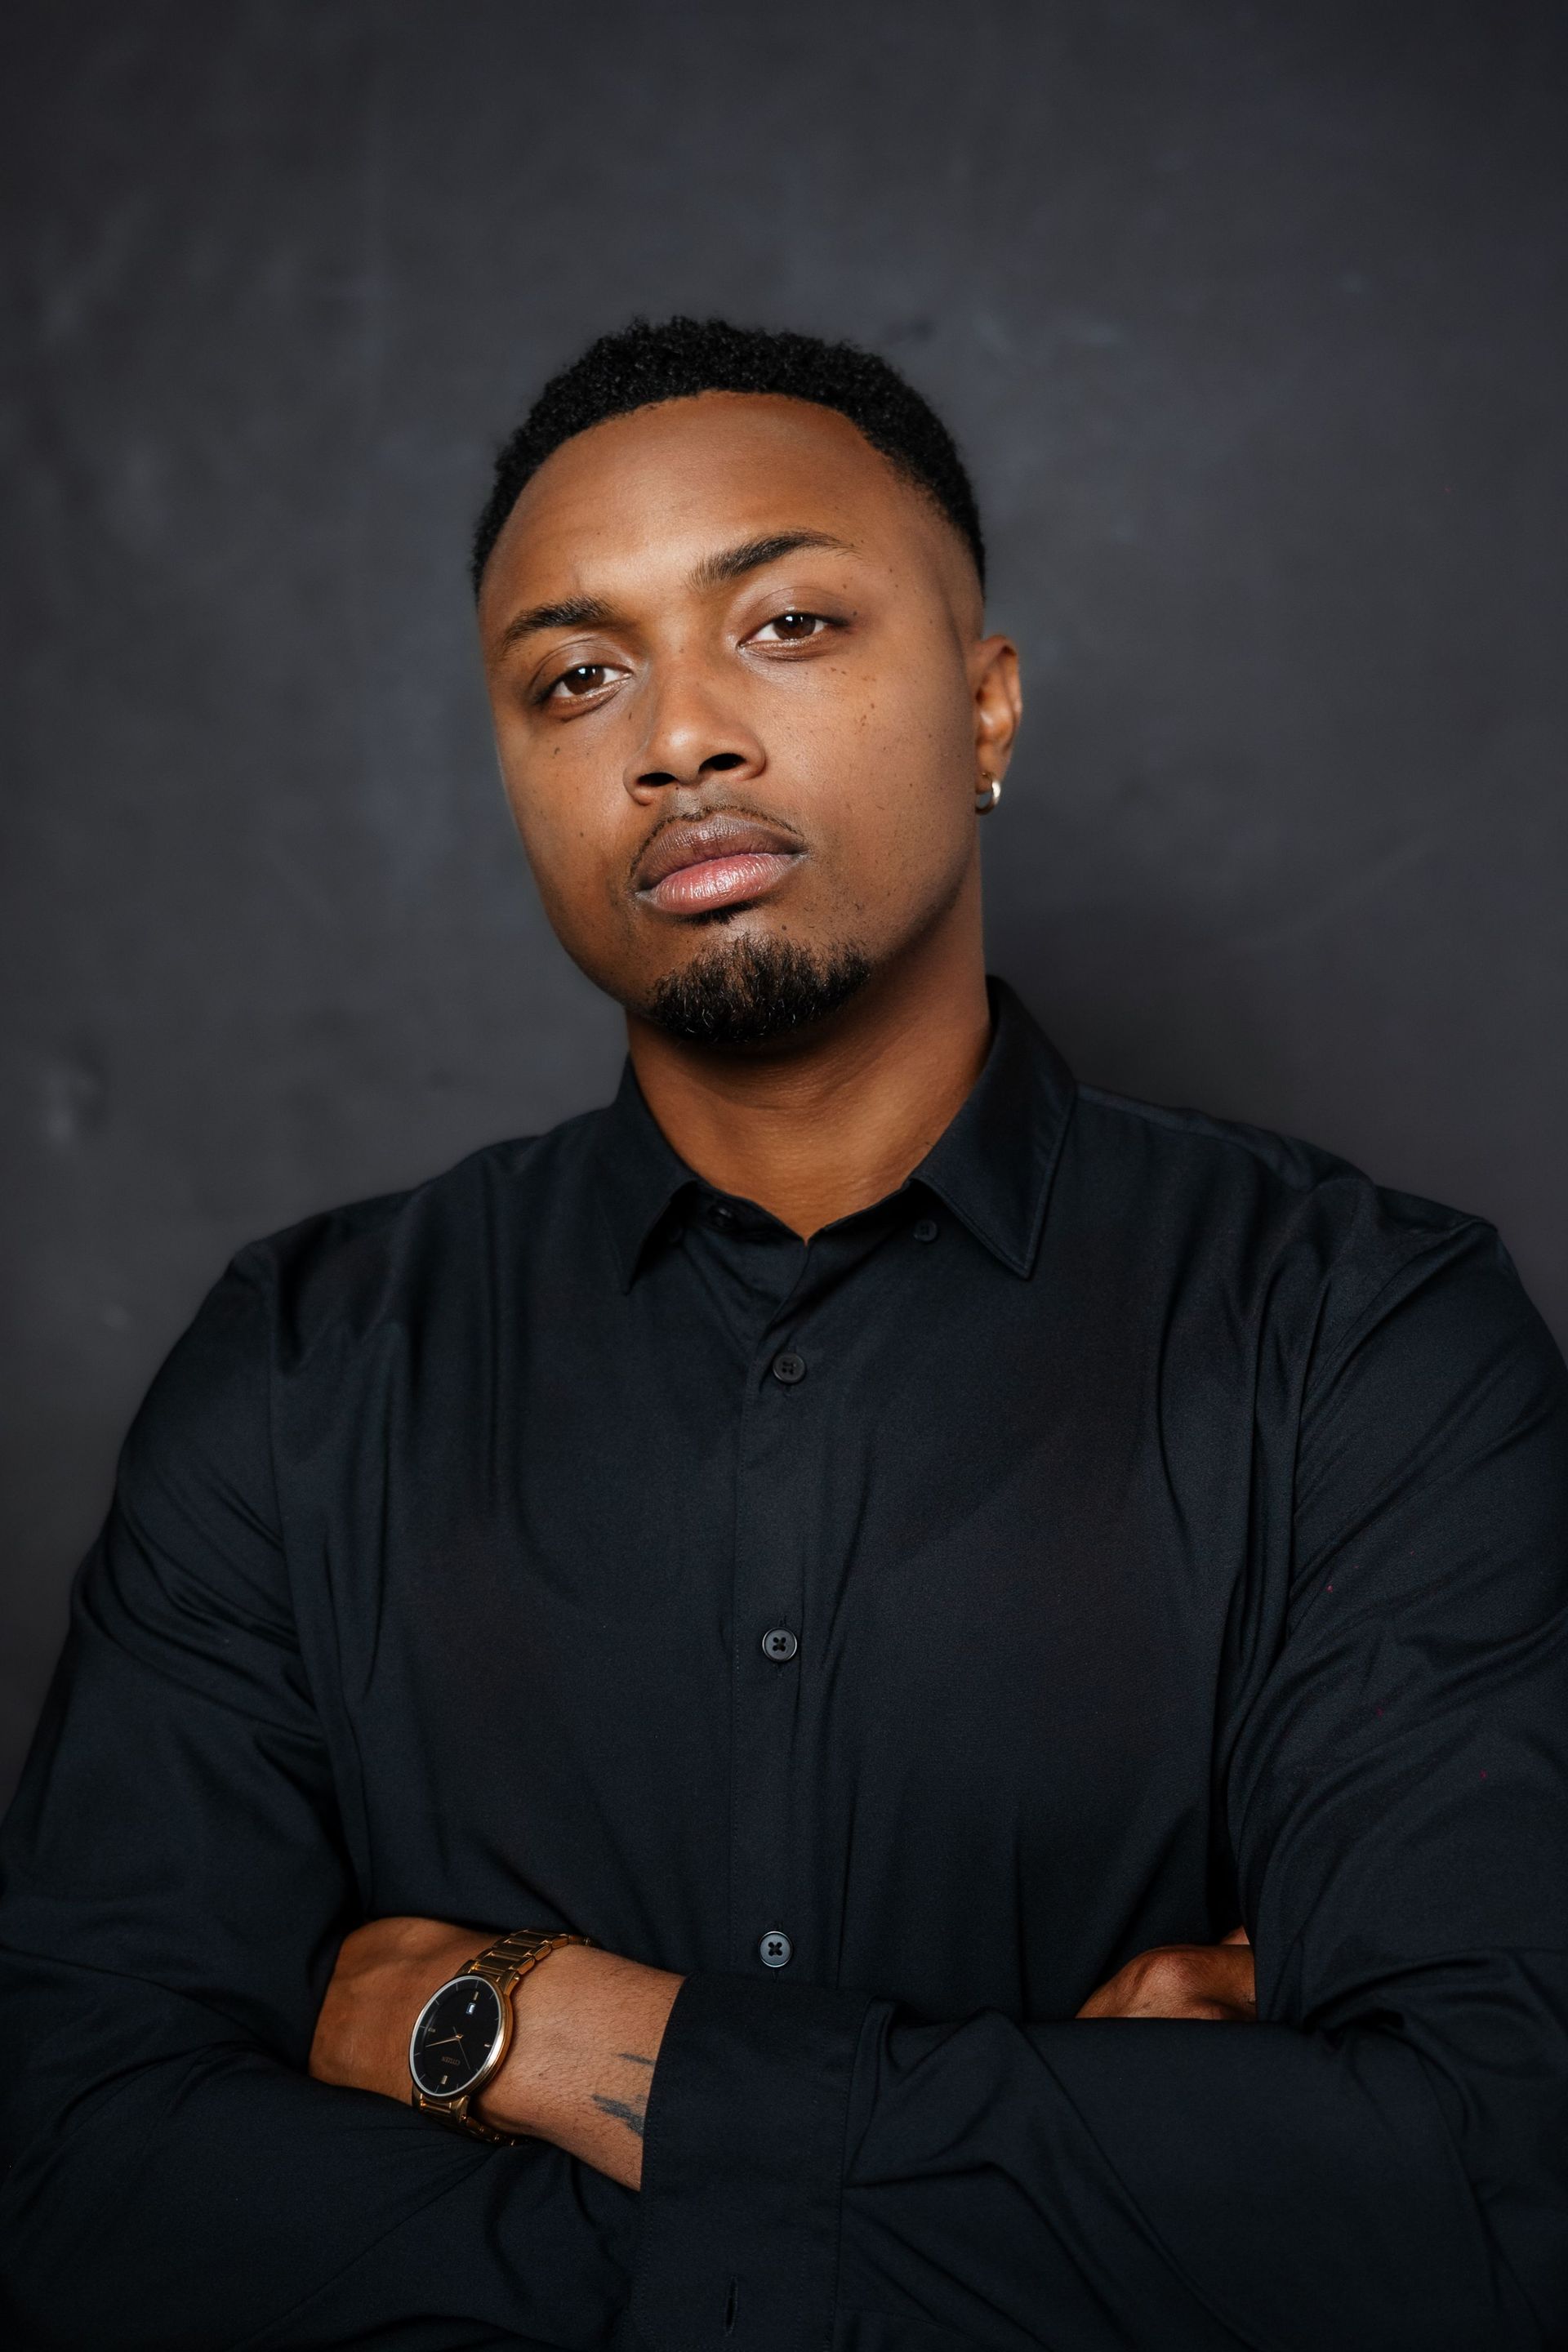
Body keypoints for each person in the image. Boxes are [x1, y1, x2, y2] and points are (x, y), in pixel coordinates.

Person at [1, 315, 1563, 2352]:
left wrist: (531, 2031)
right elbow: (77, 2180)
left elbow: (1479, 2196)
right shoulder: (300, 1374)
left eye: (790, 625)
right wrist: (1113, 2184)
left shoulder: (1366, 1341)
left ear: (987, 706)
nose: (679, 738)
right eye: (578, 676)